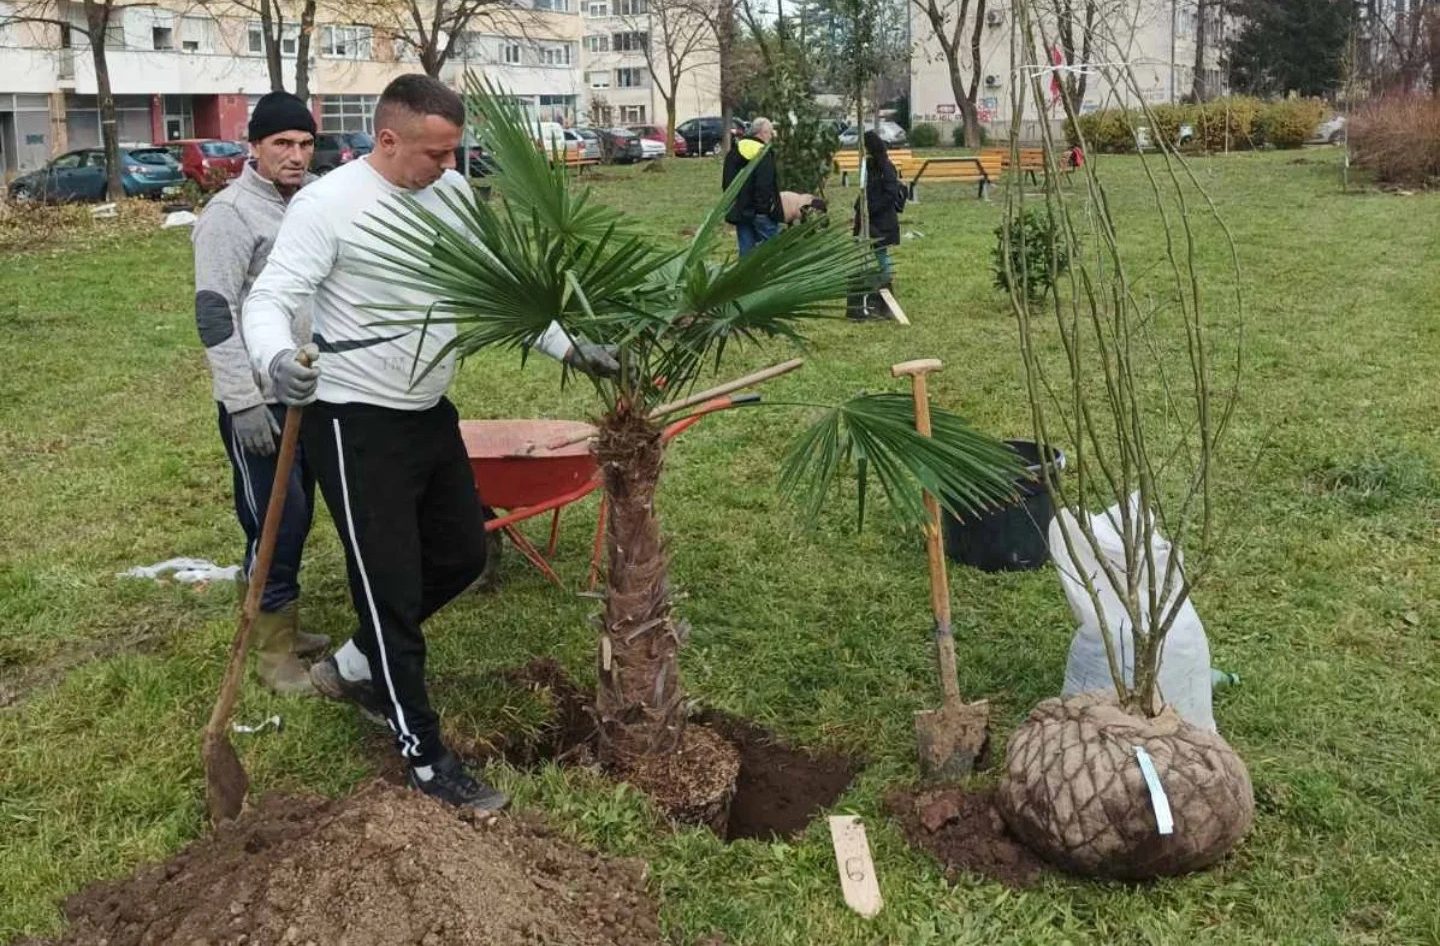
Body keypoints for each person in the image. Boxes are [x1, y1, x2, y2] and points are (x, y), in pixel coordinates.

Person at [241, 74, 617, 811]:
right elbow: (270, 299)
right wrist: (276, 359)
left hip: (427, 410)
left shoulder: (447, 194)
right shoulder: (328, 206)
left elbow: (494, 284)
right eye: (435, 153)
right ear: (388, 139)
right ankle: (424, 756)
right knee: (390, 592)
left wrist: (571, 348)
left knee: (463, 554)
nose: (449, 167)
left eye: (456, 152)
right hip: (353, 421)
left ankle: (354, 664)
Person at [192, 91, 326, 695]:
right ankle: (274, 656)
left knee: (300, 511)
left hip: (311, 392)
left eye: (304, 143)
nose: (296, 155)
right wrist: (241, 399)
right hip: (260, 399)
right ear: (255, 148)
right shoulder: (230, 214)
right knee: (277, 520)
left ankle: (284, 626)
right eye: (283, 144)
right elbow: (214, 311)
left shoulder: (315, 203)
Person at [849, 130, 905, 321]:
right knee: (874, 254)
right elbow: (865, 190)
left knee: (881, 255)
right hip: (870, 219)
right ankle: (872, 294)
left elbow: (890, 194)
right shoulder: (869, 166)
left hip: (882, 220)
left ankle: (887, 292)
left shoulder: (886, 168)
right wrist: (860, 210)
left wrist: (871, 209)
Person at [722, 117, 783, 256]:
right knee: (775, 250)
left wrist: (734, 204)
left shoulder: (735, 150)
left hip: (740, 210)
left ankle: (745, 277)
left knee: (746, 253)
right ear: (762, 133)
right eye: (770, 133)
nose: (771, 136)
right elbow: (764, 184)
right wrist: (763, 210)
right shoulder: (762, 152)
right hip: (759, 212)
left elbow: (727, 182)